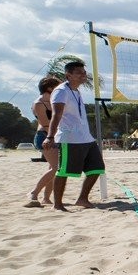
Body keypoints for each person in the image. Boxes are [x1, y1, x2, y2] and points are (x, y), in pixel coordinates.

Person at [46, 60, 105, 211]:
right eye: (79, 72)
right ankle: (57, 204)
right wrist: (50, 137)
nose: (83, 75)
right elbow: (56, 115)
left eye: (84, 72)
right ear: (68, 75)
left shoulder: (76, 91)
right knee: (63, 171)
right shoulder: (61, 91)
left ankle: (82, 198)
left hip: (86, 137)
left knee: (97, 168)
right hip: (70, 138)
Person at [26, 75, 60, 206]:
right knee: (56, 168)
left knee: (53, 168)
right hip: (44, 137)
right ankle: (34, 193)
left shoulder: (53, 101)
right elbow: (46, 124)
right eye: (57, 87)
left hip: (55, 136)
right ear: (49, 88)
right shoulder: (39, 103)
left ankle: (46, 198)